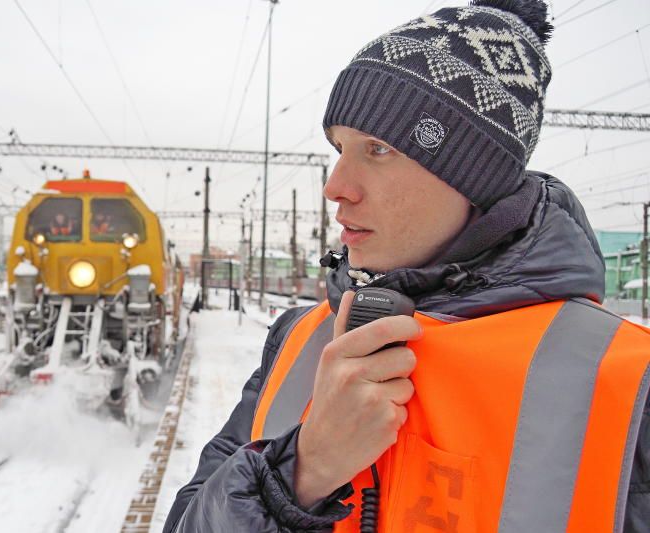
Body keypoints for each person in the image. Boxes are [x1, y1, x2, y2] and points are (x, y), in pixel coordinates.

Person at [163, 1, 650, 531]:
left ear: (473, 177)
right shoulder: (301, 339)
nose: (335, 187)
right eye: (338, 148)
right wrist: (301, 472)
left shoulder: (624, 381)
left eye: (378, 149)